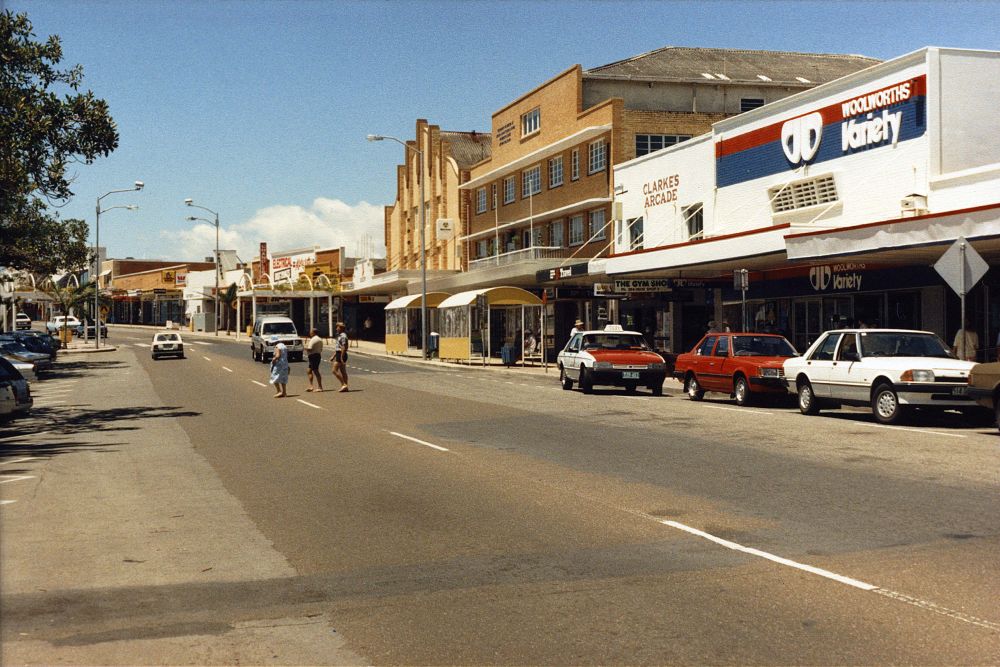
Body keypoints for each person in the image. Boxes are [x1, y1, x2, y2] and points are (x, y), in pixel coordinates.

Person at [331, 321, 349, 392]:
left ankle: (344, 384)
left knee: (334, 370)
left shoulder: (343, 336)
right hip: (339, 353)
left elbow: (344, 347)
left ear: (341, 328)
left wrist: (341, 357)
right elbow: (339, 347)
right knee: (343, 371)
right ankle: (345, 387)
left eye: (337, 327)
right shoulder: (339, 335)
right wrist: (333, 356)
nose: (336, 329)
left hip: (341, 354)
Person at [305, 328, 324, 392]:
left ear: (313, 332)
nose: (310, 333)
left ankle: (320, 387)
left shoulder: (313, 339)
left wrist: (304, 348)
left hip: (313, 356)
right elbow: (321, 349)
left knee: (316, 371)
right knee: (309, 370)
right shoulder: (320, 339)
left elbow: (310, 348)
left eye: (311, 332)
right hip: (317, 355)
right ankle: (311, 386)